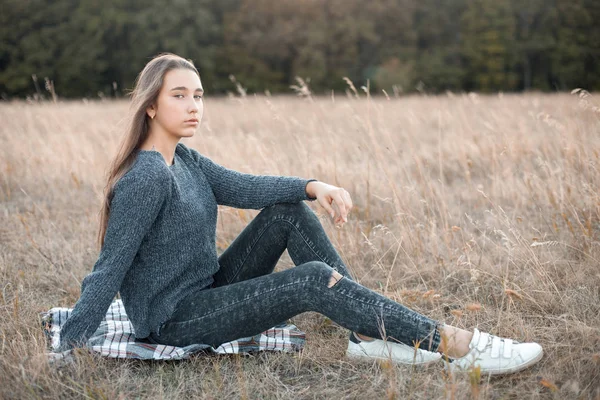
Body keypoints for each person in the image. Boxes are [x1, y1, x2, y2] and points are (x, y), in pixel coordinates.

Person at [56, 53, 543, 375]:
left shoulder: (182, 159)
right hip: (173, 321)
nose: (193, 106)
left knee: (287, 211)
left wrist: (313, 186)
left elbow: (243, 186)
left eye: (198, 95)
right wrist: (70, 345)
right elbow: (110, 266)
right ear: (150, 106)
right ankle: (457, 347)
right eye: (179, 96)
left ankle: (366, 334)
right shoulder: (145, 176)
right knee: (311, 279)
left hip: (207, 290)